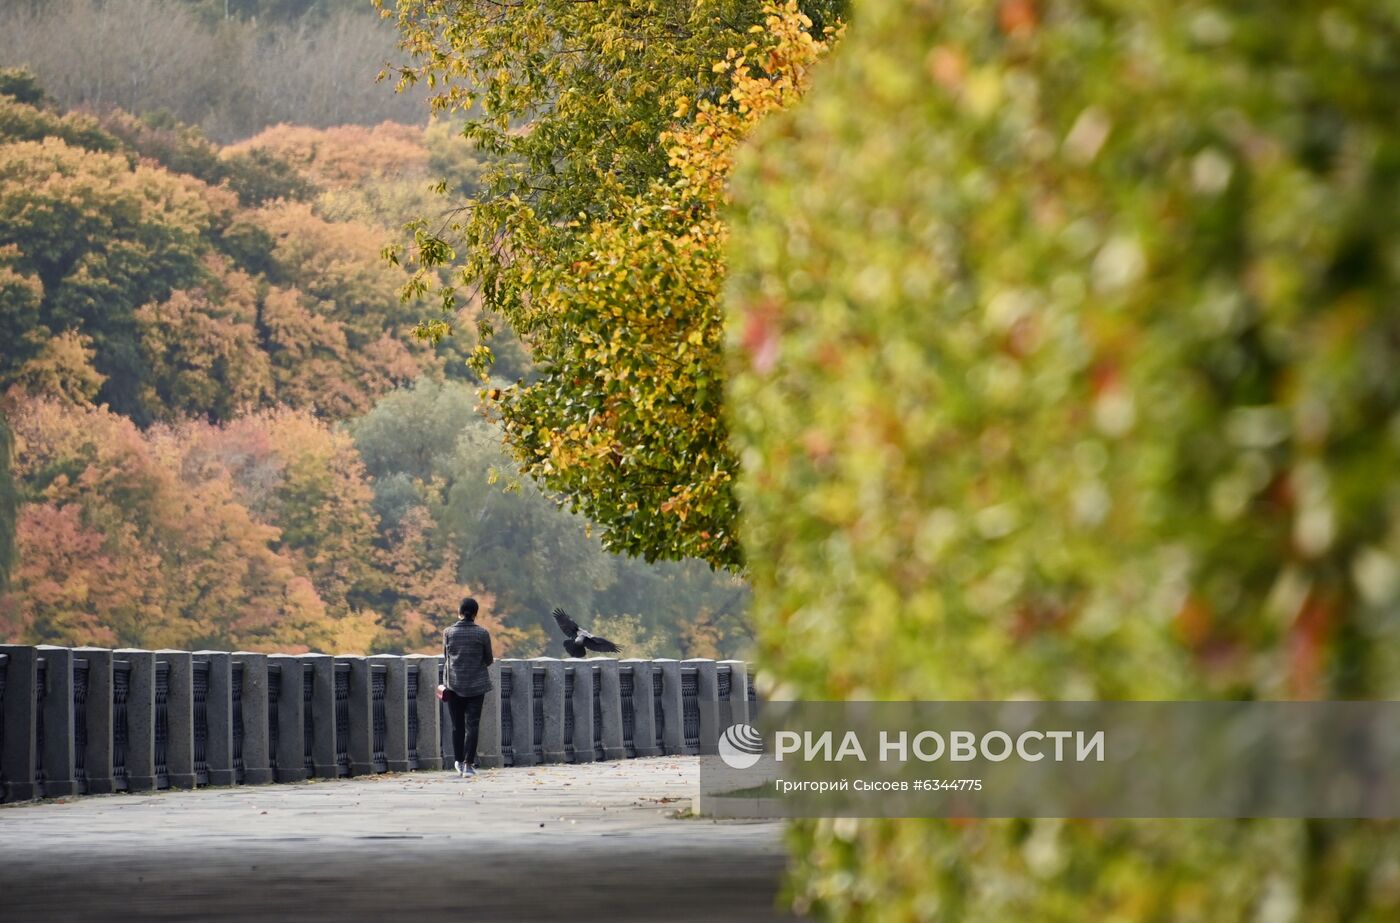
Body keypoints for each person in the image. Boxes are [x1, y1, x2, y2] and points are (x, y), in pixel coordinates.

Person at [442, 597, 493, 777]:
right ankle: (468, 763)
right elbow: (489, 659)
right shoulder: (483, 634)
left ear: (460, 612)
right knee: (473, 725)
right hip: (477, 686)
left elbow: (446, 657)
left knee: (457, 726)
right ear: (476, 613)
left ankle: (457, 760)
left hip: (454, 685)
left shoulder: (448, 632)